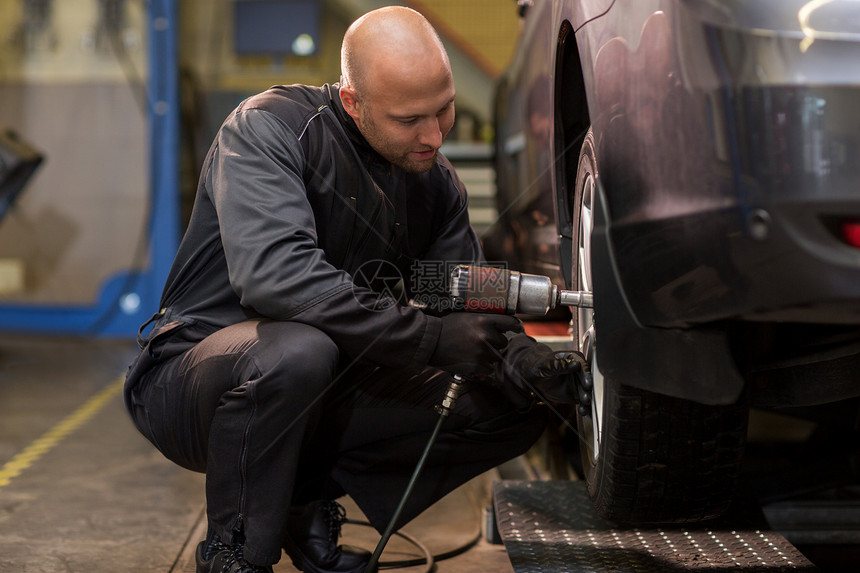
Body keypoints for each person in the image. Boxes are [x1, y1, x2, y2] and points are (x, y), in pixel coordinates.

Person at [123, 7, 585, 573]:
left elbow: (461, 295)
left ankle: (298, 497)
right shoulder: (268, 130)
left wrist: (523, 358)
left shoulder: (435, 183)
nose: (435, 134)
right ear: (352, 102)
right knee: (297, 351)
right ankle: (235, 553)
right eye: (410, 119)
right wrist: (430, 340)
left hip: (323, 379)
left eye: (444, 108)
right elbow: (278, 278)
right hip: (199, 379)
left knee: (510, 404)